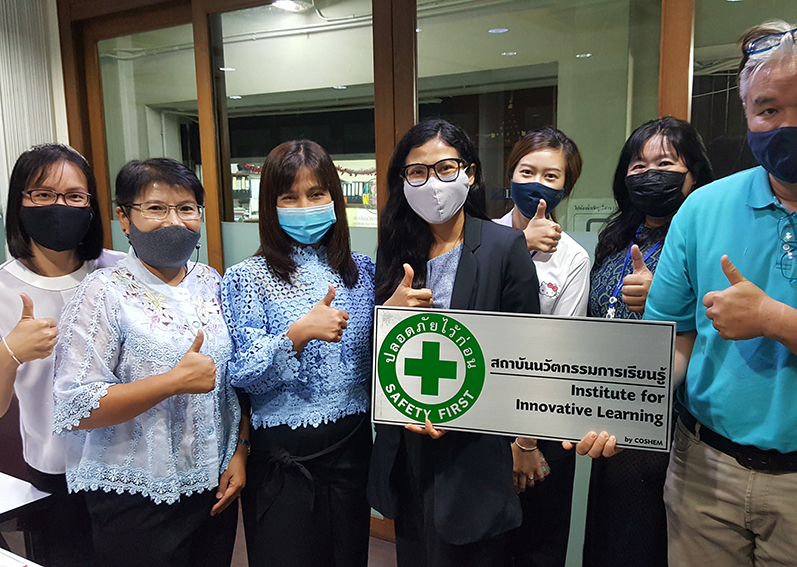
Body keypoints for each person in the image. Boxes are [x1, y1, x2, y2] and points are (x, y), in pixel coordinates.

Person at [644, 21, 797, 567]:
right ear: (746, 112)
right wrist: (621, 405)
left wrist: (773, 318)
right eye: (767, 109)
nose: (788, 124)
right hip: (703, 473)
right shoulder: (703, 208)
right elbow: (673, 338)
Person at [52, 158, 246, 567]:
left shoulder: (211, 282)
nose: (174, 221)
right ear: (124, 218)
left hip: (212, 487)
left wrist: (240, 451)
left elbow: (234, 384)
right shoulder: (102, 292)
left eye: (186, 208)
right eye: (156, 208)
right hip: (135, 498)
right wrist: (171, 381)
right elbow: (73, 406)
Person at [368, 118, 540, 567]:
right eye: (417, 172)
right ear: (402, 181)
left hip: (473, 457)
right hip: (407, 453)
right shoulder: (395, 248)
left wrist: (462, 412)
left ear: (470, 172)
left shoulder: (505, 247)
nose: (432, 183)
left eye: (445, 168)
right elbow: (381, 355)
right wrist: (388, 313)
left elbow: (525, 358)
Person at [221, 140, 374, 567]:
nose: (305, 206)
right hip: (282, 458)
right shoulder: (246, 277)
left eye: (316, 193)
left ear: (334, 199)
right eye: (289, 197)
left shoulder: (363, 271)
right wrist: (296, 335)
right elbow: (242, 375)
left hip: (352, 449)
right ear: (270, 207)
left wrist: (393, 313)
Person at [580, 116, 712, 566]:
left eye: (665, 163)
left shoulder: (704, 237)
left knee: (646, 540)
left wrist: (663, 299)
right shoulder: (616, 235)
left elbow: (721, 322)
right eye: (638, 165)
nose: (649, 174)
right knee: (607, 534)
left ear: (694, 172)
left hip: (668, 420)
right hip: (607, 406)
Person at [0, 144, 121, 567]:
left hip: (130, 463)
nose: (59, 206)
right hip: (56, 473)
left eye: (74, 196)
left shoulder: (120, 271)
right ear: (19, 202)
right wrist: (10, 352)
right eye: (43, 194)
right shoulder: (3, 289)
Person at [491, 126, 589, 567]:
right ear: (510, 174)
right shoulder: (480, 237)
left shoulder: (573, 257)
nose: (537, 184)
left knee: (537, 546)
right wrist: (518, 246)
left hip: (542, 422)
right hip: (483, 414)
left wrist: (527, 441)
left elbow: (559, 351)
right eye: (527, 171)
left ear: (566, 187)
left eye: (551, 176)